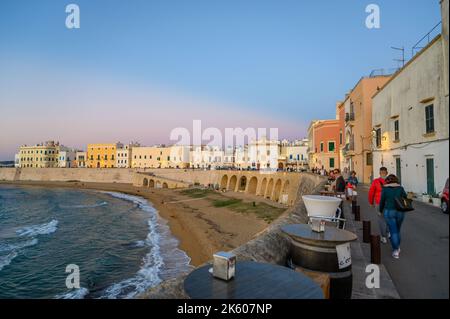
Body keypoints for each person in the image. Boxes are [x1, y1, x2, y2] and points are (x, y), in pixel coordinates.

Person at [379, 174, 408, 259]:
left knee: (393, 231)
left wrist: (380, 211)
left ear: (387, 180)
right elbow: (405, 198)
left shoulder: (385, 189)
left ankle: (396, 250)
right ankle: (397, 247)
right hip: (400, 212)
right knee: (397, 230)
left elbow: (382, 201)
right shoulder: (400, 188)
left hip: (389, 211)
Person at [369, 167, 389, 243]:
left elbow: (371, 192)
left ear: (380, 173)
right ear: (387, 173)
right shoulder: (390, 181)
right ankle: (388, 231)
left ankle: (383, 237)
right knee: (388, 218)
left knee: (381, 219)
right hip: (389, 203)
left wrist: (371, 202)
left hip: (379, 202)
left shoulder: (375, 181)